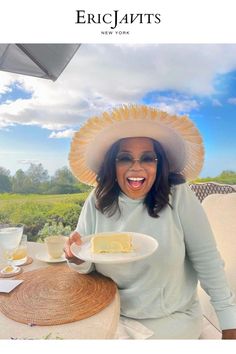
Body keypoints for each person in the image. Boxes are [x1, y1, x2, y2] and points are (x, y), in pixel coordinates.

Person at [65, 105, 236, 339]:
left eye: (148, 158)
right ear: (113, 165)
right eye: (125, 158)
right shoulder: (98, 200)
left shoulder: (177, 195)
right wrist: (75, 257)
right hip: (111, 313)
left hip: (170, 319)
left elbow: (208, 260)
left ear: (159, 164)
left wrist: (229, 324)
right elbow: (86, 261)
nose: (137, 167)